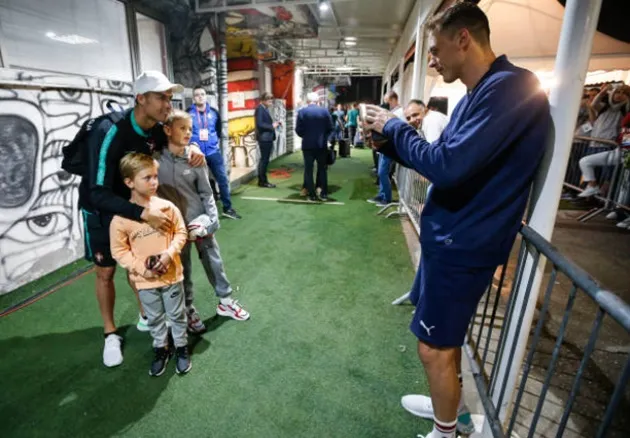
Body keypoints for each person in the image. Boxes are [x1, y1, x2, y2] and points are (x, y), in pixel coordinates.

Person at [363, 4, 551, 438]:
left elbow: (447, 166)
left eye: (434, 49)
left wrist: (395, 128)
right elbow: (439, 162)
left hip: (463, 243)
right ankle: (454, 413)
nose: (430, 59)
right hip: (451, 237)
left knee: (433, 348)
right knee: (441, 346)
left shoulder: (511, 88)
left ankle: (447, 432)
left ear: (463, 38)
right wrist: (388, 142)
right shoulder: (482, 92)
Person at [78, 70, 206, 367]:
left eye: (170, 98)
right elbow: (96, 191)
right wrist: (140, 212)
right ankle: (110, 334)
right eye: (162, 97)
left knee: (140, 263)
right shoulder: (108, 131)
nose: (167, 104)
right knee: (106, 272)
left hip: (133, 208)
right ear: (141, 99)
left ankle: (147, 316)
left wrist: (193, 147)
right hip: (100, 209)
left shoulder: (155, 128)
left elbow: (176, 142)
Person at [157, 110, 250, 332]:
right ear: (168, 130)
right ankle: (188, 309)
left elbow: (207, 194)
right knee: (183, 271)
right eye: (183, 128)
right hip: (173, 229)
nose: (188, 133)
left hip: (198, 223)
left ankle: (226, 302)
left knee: (214, 263)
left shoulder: (195, 159)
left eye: (190, 129)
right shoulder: (155, 161)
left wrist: (209, 222)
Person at [109, 153, 190, 376]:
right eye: (147, 178)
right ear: (129, 182)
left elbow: (181, 232)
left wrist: (169, 254)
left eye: (155, 176)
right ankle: (161, 348)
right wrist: (143, 268)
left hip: (172, 276)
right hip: (144, 282)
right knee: (154, 318)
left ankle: (181, 347)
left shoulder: (167, 207)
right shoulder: (121, 219)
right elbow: (119, 251)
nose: (154, 182)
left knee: (177, 315)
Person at [189, 85, 241, 219]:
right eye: (197, 95)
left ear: (206, 97)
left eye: (202, 94)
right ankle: (202, 210)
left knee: (222, 180)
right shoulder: (188, 113)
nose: (200, 96)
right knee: (198, 182)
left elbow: (217, 131)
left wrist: (211, 142)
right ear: (193, 98)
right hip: (196, 154)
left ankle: (227, 208)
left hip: (213, 152)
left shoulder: (214, 113)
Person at [367, 91, 404, 207]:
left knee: (383, 172)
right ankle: (382, 195)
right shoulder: (393, 112)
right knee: (381, 171)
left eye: (387, 101)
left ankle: (386, 198)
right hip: (385, 145)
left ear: (393, 100)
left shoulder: (399, 113)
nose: (385, 104)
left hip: (391, 145)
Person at [295, 92, 334, 202]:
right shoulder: (324, 111)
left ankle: (311, 194)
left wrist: (306, 136)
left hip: (307, 145)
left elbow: (298, 130)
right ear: (318, 101)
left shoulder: (302, 112)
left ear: (307, 101)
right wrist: (326, 139)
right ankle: (323, 193)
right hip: (321, 145)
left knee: (308, 170)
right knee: (322, 169)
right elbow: (331, 128)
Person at [254, 92, 280, 188]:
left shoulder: (263, 109)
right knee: (264, 160)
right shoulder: (260, 109)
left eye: (271, 100)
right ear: (263, 100)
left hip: (266, 138)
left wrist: (274, 124)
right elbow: (260, 124)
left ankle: (262, 180)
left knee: (264, 160)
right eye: (269, 100)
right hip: (264, 138)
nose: (271, 102)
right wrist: (272, 126)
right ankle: (263, 181)